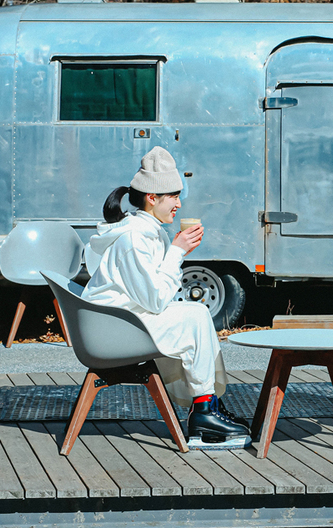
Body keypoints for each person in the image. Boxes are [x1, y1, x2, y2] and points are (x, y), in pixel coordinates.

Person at [82, 146, 251, 449]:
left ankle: (206, 406)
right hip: (111, 331)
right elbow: (157, 300)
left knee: (194, 315)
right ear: (152, 198)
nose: (178, 204)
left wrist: (174, 251)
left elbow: (155, 294)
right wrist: (177, 252)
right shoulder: (134, 239)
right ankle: (204, 409)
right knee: (196, 316)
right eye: (173, 196)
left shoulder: (146, 231)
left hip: (121, 321)